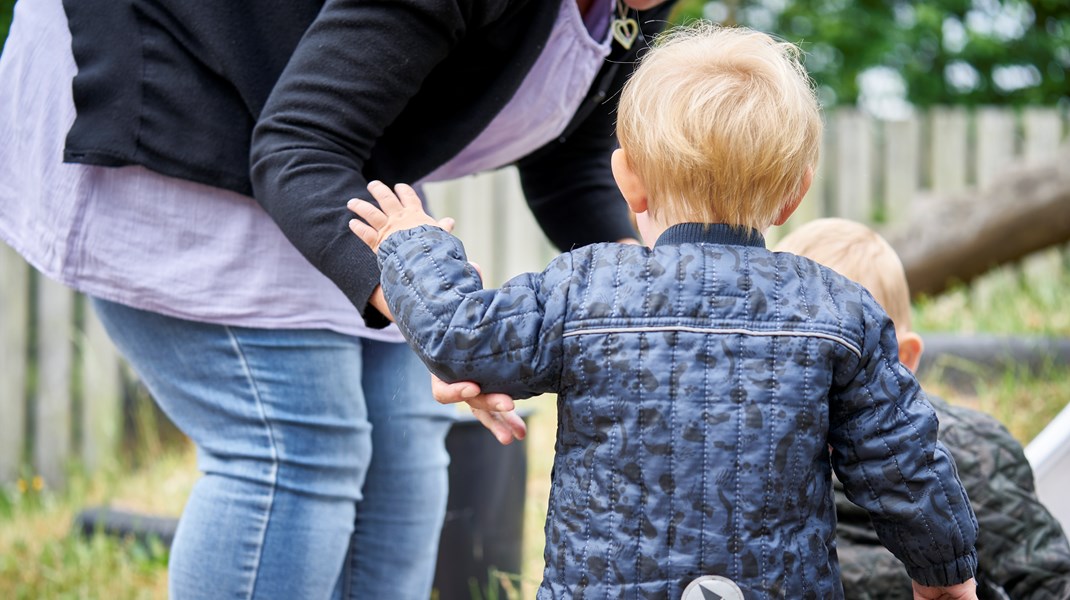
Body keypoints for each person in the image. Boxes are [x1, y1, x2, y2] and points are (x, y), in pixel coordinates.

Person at [0, 0, 677, 598]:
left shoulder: (634, 2)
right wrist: (435, 313)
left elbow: (571, 162)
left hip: (328, 130)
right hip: (180, 71)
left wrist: (669, 300)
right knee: (294, 446)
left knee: (404, 444)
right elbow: (299, 144)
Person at [347, 22, 980, 599]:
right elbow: (904, 466)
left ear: (628, 179)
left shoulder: (582, 288)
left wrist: (413, 244)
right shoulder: (841, 312)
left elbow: (466, 339)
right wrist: (944, 579)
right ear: (793, 195)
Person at [774, 217, 1070, 600]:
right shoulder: (770, 458)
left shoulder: (969, 456)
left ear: (905, 358)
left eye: (843, 364)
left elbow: (1048, 581)